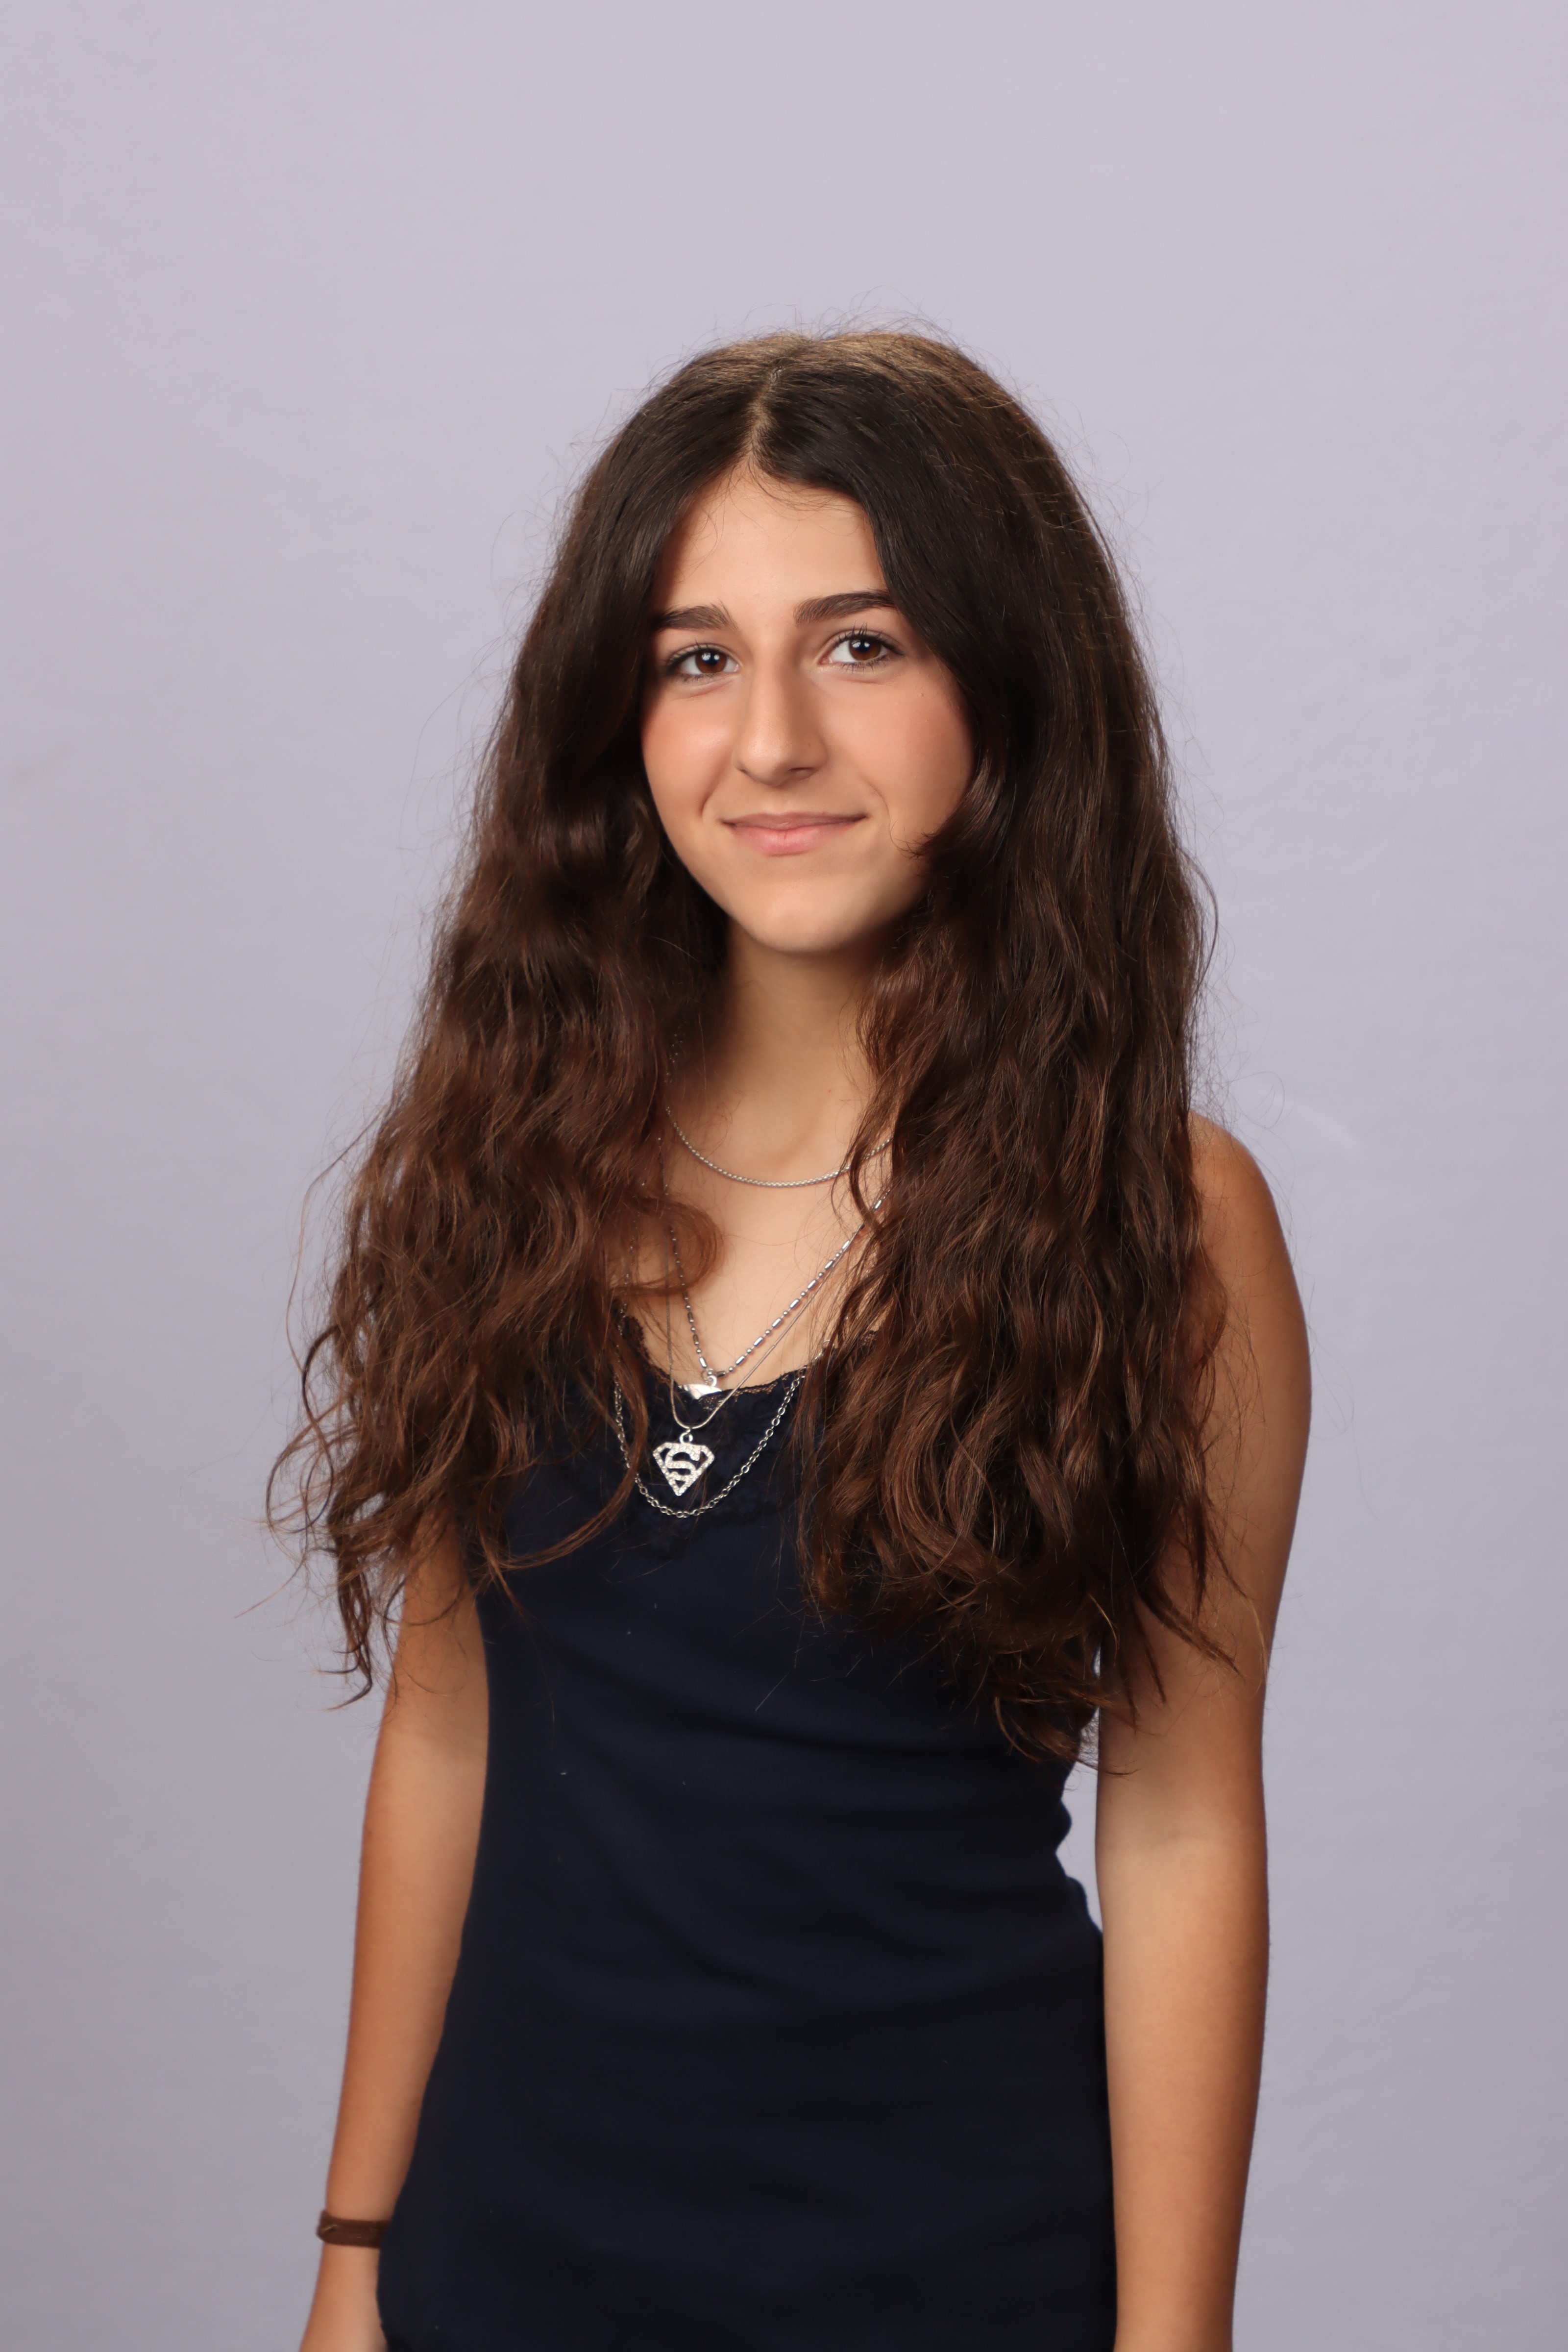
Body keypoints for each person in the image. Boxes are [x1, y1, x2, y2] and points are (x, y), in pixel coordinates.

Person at [278, 329, 1310, 2352]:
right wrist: (351, 2256)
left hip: (956, 2280)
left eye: (859, 644)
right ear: (616, 719)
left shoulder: (1166, 1223)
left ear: (1007, 686)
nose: (769, 738)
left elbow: (1184, 1818)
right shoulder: (507, 1157)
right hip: (501, 2279)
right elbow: (446, 1731)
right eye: (694, 658)